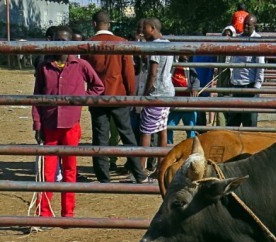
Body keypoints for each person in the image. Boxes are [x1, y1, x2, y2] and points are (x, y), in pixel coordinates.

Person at [32, 26, 104, 222]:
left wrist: (82, 99)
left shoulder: (80, 65)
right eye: (57, 40)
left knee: (70, 169)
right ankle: (44, 214)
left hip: (71, 125)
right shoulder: (44, 67)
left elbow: (98, 86)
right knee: (47, 172)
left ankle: (68, 213)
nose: (60, 45)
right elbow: (37, 96)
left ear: (71, 43)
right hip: (49, 124)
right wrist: (37, 124)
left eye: (64, 41)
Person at [82, 10, 147, 183]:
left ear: (94, 24)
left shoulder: (88, 44)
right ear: (109, 24)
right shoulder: (122, 43)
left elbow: (85, 72)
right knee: (127, 135)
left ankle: (103, 177)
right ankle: (139, 174)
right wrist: (131, 94)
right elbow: (129, 72)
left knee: (100, 136)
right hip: (119, 95)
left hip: (97, 97)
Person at [137, 18, 174, 178]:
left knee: (146, 131)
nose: (142, 31)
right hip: (168, 91)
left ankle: (141, 169)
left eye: (144, 28)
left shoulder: (155, 46)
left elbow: (152, 73)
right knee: (162, 129)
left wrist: (144, 95)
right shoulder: (168, 43)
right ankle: (161, 167)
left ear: (152, 28)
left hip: (156, 92)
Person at [226, 15, 263, 128]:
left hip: (249, 85)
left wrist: (256, 86)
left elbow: (260, 65)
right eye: (245, 24)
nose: (246, 26)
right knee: (233, 121)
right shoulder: (238, 39)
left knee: (250, 122)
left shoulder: (258, 40)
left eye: (249, 24)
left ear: (254, 26)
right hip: (236, 84)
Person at [167, 55, 200, 144]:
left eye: (186, 54)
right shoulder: (172, 66)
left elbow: (196, 80)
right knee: (168, 127)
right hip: (174, 105)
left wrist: (195, 88)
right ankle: (168, 147)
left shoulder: (189, 68)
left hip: (188, 104)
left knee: (191, 129)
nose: (185, 56)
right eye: (182, 53)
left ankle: (190, 149)